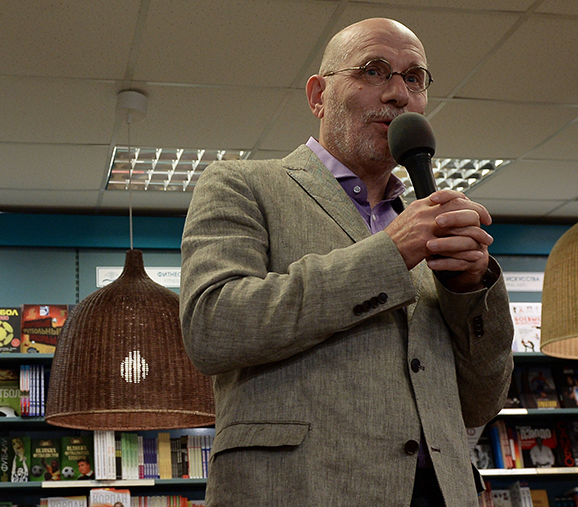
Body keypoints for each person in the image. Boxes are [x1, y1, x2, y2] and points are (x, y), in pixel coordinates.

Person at [179, 17, 514, 507]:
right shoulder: (241, 184)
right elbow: (213, 328)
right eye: (374, 71)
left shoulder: (430, 226)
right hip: (299, 490)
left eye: (414, 78)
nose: (398, 94)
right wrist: (390, 253)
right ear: (319, 95)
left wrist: (468, 289)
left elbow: (482, 403)